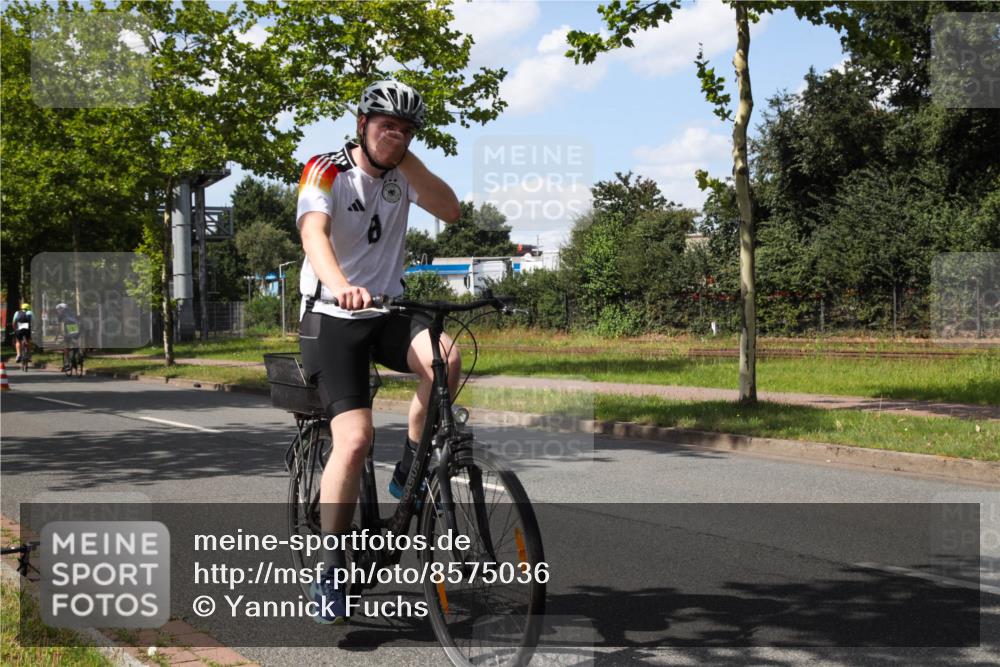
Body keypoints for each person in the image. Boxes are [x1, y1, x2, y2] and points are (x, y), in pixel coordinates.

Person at [296, 80, 462, 623]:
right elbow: (314, 234)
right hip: (332, 314)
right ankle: (329, 568)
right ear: (362, 123)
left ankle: (409, 467)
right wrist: (339, 282)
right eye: (387, 125)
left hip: (386, 310)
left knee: (447, 359)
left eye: (406, 129)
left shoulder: (404, 173)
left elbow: (451, 211)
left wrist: (408, 161)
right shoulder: (324, 168)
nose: (396, 135)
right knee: (356, 438)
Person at [54, 303, 81, 371]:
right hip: (77, 328)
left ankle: (67, 363)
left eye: (58, 309)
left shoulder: (61, 315)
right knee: (74, 342)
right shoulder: (73, 312)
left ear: (61, 309)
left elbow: (59, 327)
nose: (58, 311)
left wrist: (56, 337)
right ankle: (78, 354)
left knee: (66, 345)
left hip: (70, 328)